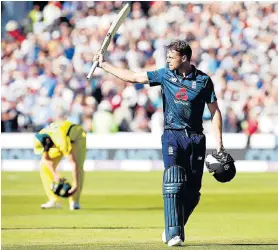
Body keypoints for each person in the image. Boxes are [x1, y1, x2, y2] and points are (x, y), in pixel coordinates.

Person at [93, 40, 225, 246]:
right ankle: (174, 234)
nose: (168, 60)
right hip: (172, 135)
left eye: (172, 57)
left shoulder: (203, 81)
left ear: (184, 58)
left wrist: (220, 144)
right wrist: (104, 64)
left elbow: (215, 111)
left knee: (193, 193)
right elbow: (134, 77)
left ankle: (175, 224)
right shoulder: (165, 75)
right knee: (173, 181)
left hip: (196, 138)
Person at [34, 120, 86, 210]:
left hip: (77, 137)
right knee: (44, 167)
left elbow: (73, 163)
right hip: (55, 138)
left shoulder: (60, 140)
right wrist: (55, 175)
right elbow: (46, 159)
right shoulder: (38, 140)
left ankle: (75, 202)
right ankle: (53, 200)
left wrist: (76, 185)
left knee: (78, 164)